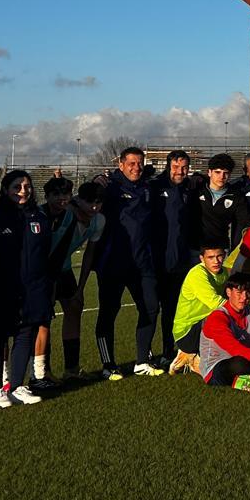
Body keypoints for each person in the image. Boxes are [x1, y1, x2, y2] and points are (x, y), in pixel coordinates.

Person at [0, 170, 52, 407]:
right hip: (1, 291)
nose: (23, 191)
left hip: (32, 291)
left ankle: (17, 386)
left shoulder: (39, 218)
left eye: (27, 186)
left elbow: (45, 253)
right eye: (17, 187)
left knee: (24, 336)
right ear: (6, 190)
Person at [95, 146, 163, 380]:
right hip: (113, 263)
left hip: (142, 263)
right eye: (131, 163)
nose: (136, 167)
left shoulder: (147, 186)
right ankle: (108, 364)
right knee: (108, 312)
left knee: (150, 308)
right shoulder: (109, 187)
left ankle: (142, 360)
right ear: (121, 165)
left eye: (139, 163)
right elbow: (86, 199)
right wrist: (96, 181)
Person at [39, 176, 104, 385]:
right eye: (89, 202)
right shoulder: (64, 215)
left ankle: (72, 369)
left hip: (65, 270)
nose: (94, 207)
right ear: (79, 200)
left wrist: (81, 287)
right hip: (45, 272)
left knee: (75, 310)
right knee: (43, 320)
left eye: (98, 202)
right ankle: (42, 372)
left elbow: (89, 255)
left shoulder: (99, 221)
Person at [150, 150, 202, 364]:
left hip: (183, 259)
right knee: (155, 308)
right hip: (159, 260)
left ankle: (176, 350)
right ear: (168, 166)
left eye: (184, 167)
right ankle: (152, 352)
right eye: (176, 167)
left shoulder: (189, 188)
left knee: (181, 307)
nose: (180, 172)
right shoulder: (155, 187)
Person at [168, 244, 228, 375]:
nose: (216, 261)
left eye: (219, 256)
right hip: (187, 333)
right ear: (202, 258)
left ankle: (189, 356)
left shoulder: (225, 272)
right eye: (210, 257)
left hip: (203, 327)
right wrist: (247, 312)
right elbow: (216, 303)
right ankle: (191, 354)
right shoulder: (197, 274)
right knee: (221, 317)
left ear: (224, 255)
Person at [195, 153, 248, 264]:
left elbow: (243, 223)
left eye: (226, 173)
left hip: (220, 250)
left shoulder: (236, 196)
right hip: (196, 249)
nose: (221, 177)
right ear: (209, 172)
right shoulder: (196, 191)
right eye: (217, 172)